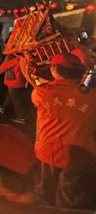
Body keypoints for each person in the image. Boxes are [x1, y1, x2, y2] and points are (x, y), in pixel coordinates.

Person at [30, 53, 96, 209]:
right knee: (70, 201)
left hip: (48, 153)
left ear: (54, 69)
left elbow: (44, 89)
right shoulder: (92, 96)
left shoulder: (41, 93)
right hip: (78, 156)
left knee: (45, 195)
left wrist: (28, 73)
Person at [0, 53, 32, 124]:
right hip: (20, 79)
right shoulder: (24, 55)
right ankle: (3, 106)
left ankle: (21, 117)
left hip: (13, 81)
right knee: (11, 94)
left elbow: (4, 66)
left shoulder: (12, 57)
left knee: (15, 98)